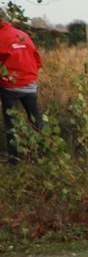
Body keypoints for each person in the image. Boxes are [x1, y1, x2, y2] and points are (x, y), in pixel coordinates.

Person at [0, 12, 43, 162]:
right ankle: (42, 153)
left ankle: (14, 158)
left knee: (11, 122)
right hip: (30, 84)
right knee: (36, 119)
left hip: (10, 86)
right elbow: (37, 59)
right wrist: (30, 76)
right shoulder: (22, 34)